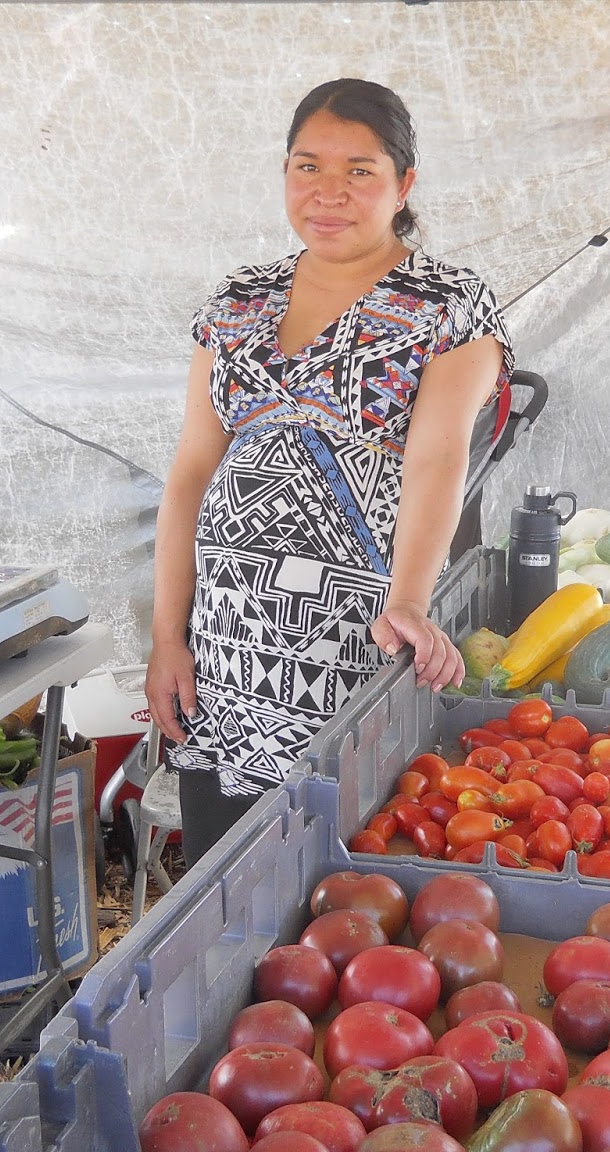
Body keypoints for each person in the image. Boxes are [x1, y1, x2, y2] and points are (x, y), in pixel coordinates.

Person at [145, 79, 514, 867]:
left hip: (349, 643)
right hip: (225, 652)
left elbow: (438, 459)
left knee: (339, 880)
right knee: (223, 883)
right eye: (308, 166)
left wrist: (410, 599)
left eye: (359, 171)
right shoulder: (238, 299)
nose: (329, 192)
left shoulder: (448, 304)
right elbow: (190, 473)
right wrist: (166, 635)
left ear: (404, 184)